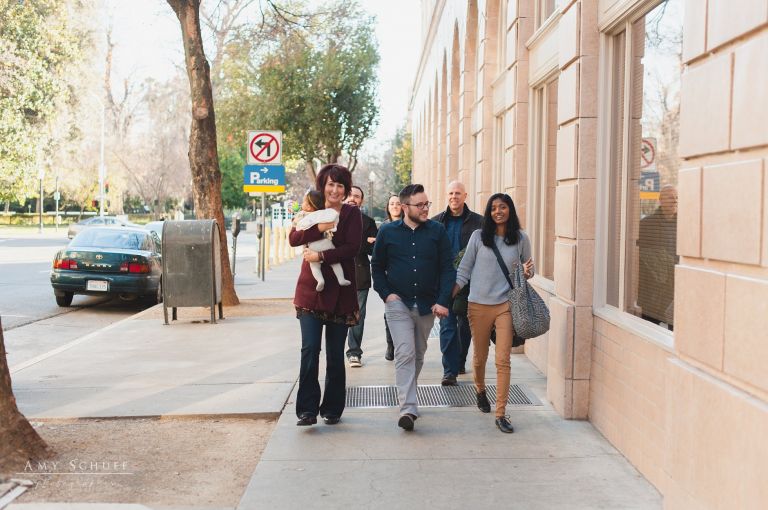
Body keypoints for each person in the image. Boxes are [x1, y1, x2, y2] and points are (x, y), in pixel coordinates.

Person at [371, 184, 455, 431]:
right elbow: (377, 266)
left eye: (427, 204)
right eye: (420, 205)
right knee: (405, 352)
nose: (426, 208)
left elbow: (447, 268)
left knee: (418, 354)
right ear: (405, 207)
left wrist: (442, 300)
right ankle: (408, 408)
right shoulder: (387, 232)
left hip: (427, 304)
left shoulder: (437, 231)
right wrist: (387, 295)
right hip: (399, 304)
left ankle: (409, 391)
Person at [452, 193, 534, 434]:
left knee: (503, 360)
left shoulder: (520, 238)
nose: (498, 211)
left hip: (505, 306)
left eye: (503, 207)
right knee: (479, 358)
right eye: (494, 208)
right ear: (489, 212)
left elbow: (528, 272)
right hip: (477, 305)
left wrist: (528, 271)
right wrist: (447, 296)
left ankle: (501, 413)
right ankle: (479, 389)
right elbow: (464, 270)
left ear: (510, 210)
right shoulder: (479, 237)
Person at [288, 164, 362, 427]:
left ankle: (332, 408)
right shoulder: (310, 209)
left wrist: (321, 255)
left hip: (340, 295)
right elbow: (294, 239)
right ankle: (306, 410)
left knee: (334, 354)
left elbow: (351, 248)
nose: (335, 190)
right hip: (311, 293)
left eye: (340, 185)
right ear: (323, 186)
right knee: (310, 349)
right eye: (330, 184)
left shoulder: (352, 214)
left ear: (345, 190)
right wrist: (319, 227)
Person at [431, 181, 483, 384]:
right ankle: (449, 372)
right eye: (451, 193)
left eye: (458, 193)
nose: (454, 196)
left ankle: (459, 361)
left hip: (469, 283)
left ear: (465, 195)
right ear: (447, 195)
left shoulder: (479, 222)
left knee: (464, 326)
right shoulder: (436, 223)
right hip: (444, 282)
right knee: (447, 325)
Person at [344, 185, 378, 367]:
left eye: (356, 196)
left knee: (358, 316)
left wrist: (366, 243)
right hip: (337, 275)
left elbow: (375, 249)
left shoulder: (368, 222)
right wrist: (364, 242)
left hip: (360, 275)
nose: (352, 198)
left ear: (361, 201)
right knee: (338, 315)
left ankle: (354, 352)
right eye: (350, 195)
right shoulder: (333, 218)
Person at [293, 190, 352, 292]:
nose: (301, 204)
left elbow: (298, 229)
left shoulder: (303, 215)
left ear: (308, 206)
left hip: (312, 247)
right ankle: (341, 279)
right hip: (326, 243)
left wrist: (295, 223)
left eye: (303, 202)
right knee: (335, 263)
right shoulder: (324, 213)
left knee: (314, 266)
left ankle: (320, 280)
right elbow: (334, 218)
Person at [638, 185, 678, 329]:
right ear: (660, 200)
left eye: (677, 197)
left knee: (675, 329)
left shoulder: (683, 225)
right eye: (670, 197)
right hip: (653, 290)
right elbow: (640, 256)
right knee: (650, 328)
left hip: (675, 286)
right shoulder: (647, 225)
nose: (674, 201)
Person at [381, 194, 402, 361]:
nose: (395, 206)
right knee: (390, 311)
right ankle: (391, 344)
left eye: (398, 203)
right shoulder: (383, 227)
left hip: (408, 274)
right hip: (389, 275)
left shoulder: (410, 224)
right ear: (387, 207)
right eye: (392, 204)